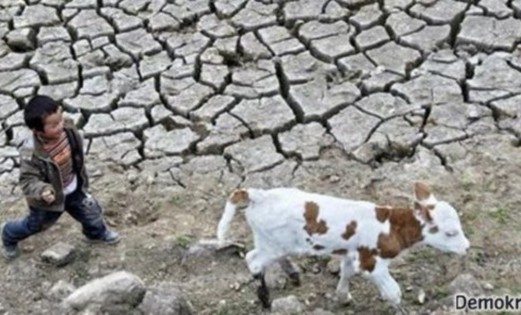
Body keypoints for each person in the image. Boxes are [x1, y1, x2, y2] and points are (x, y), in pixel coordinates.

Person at [1, 95, 120, 260]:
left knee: (91, 212)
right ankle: (8, 233)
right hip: (48, 200)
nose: (61, 126)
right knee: (34, 226)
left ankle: (95, 234)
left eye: (61, 119)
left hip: (74, 187)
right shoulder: (32, 152)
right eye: (54, 125)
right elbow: (28, 179)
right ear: (37, 130)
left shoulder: (69, 130)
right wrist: (43, 190)